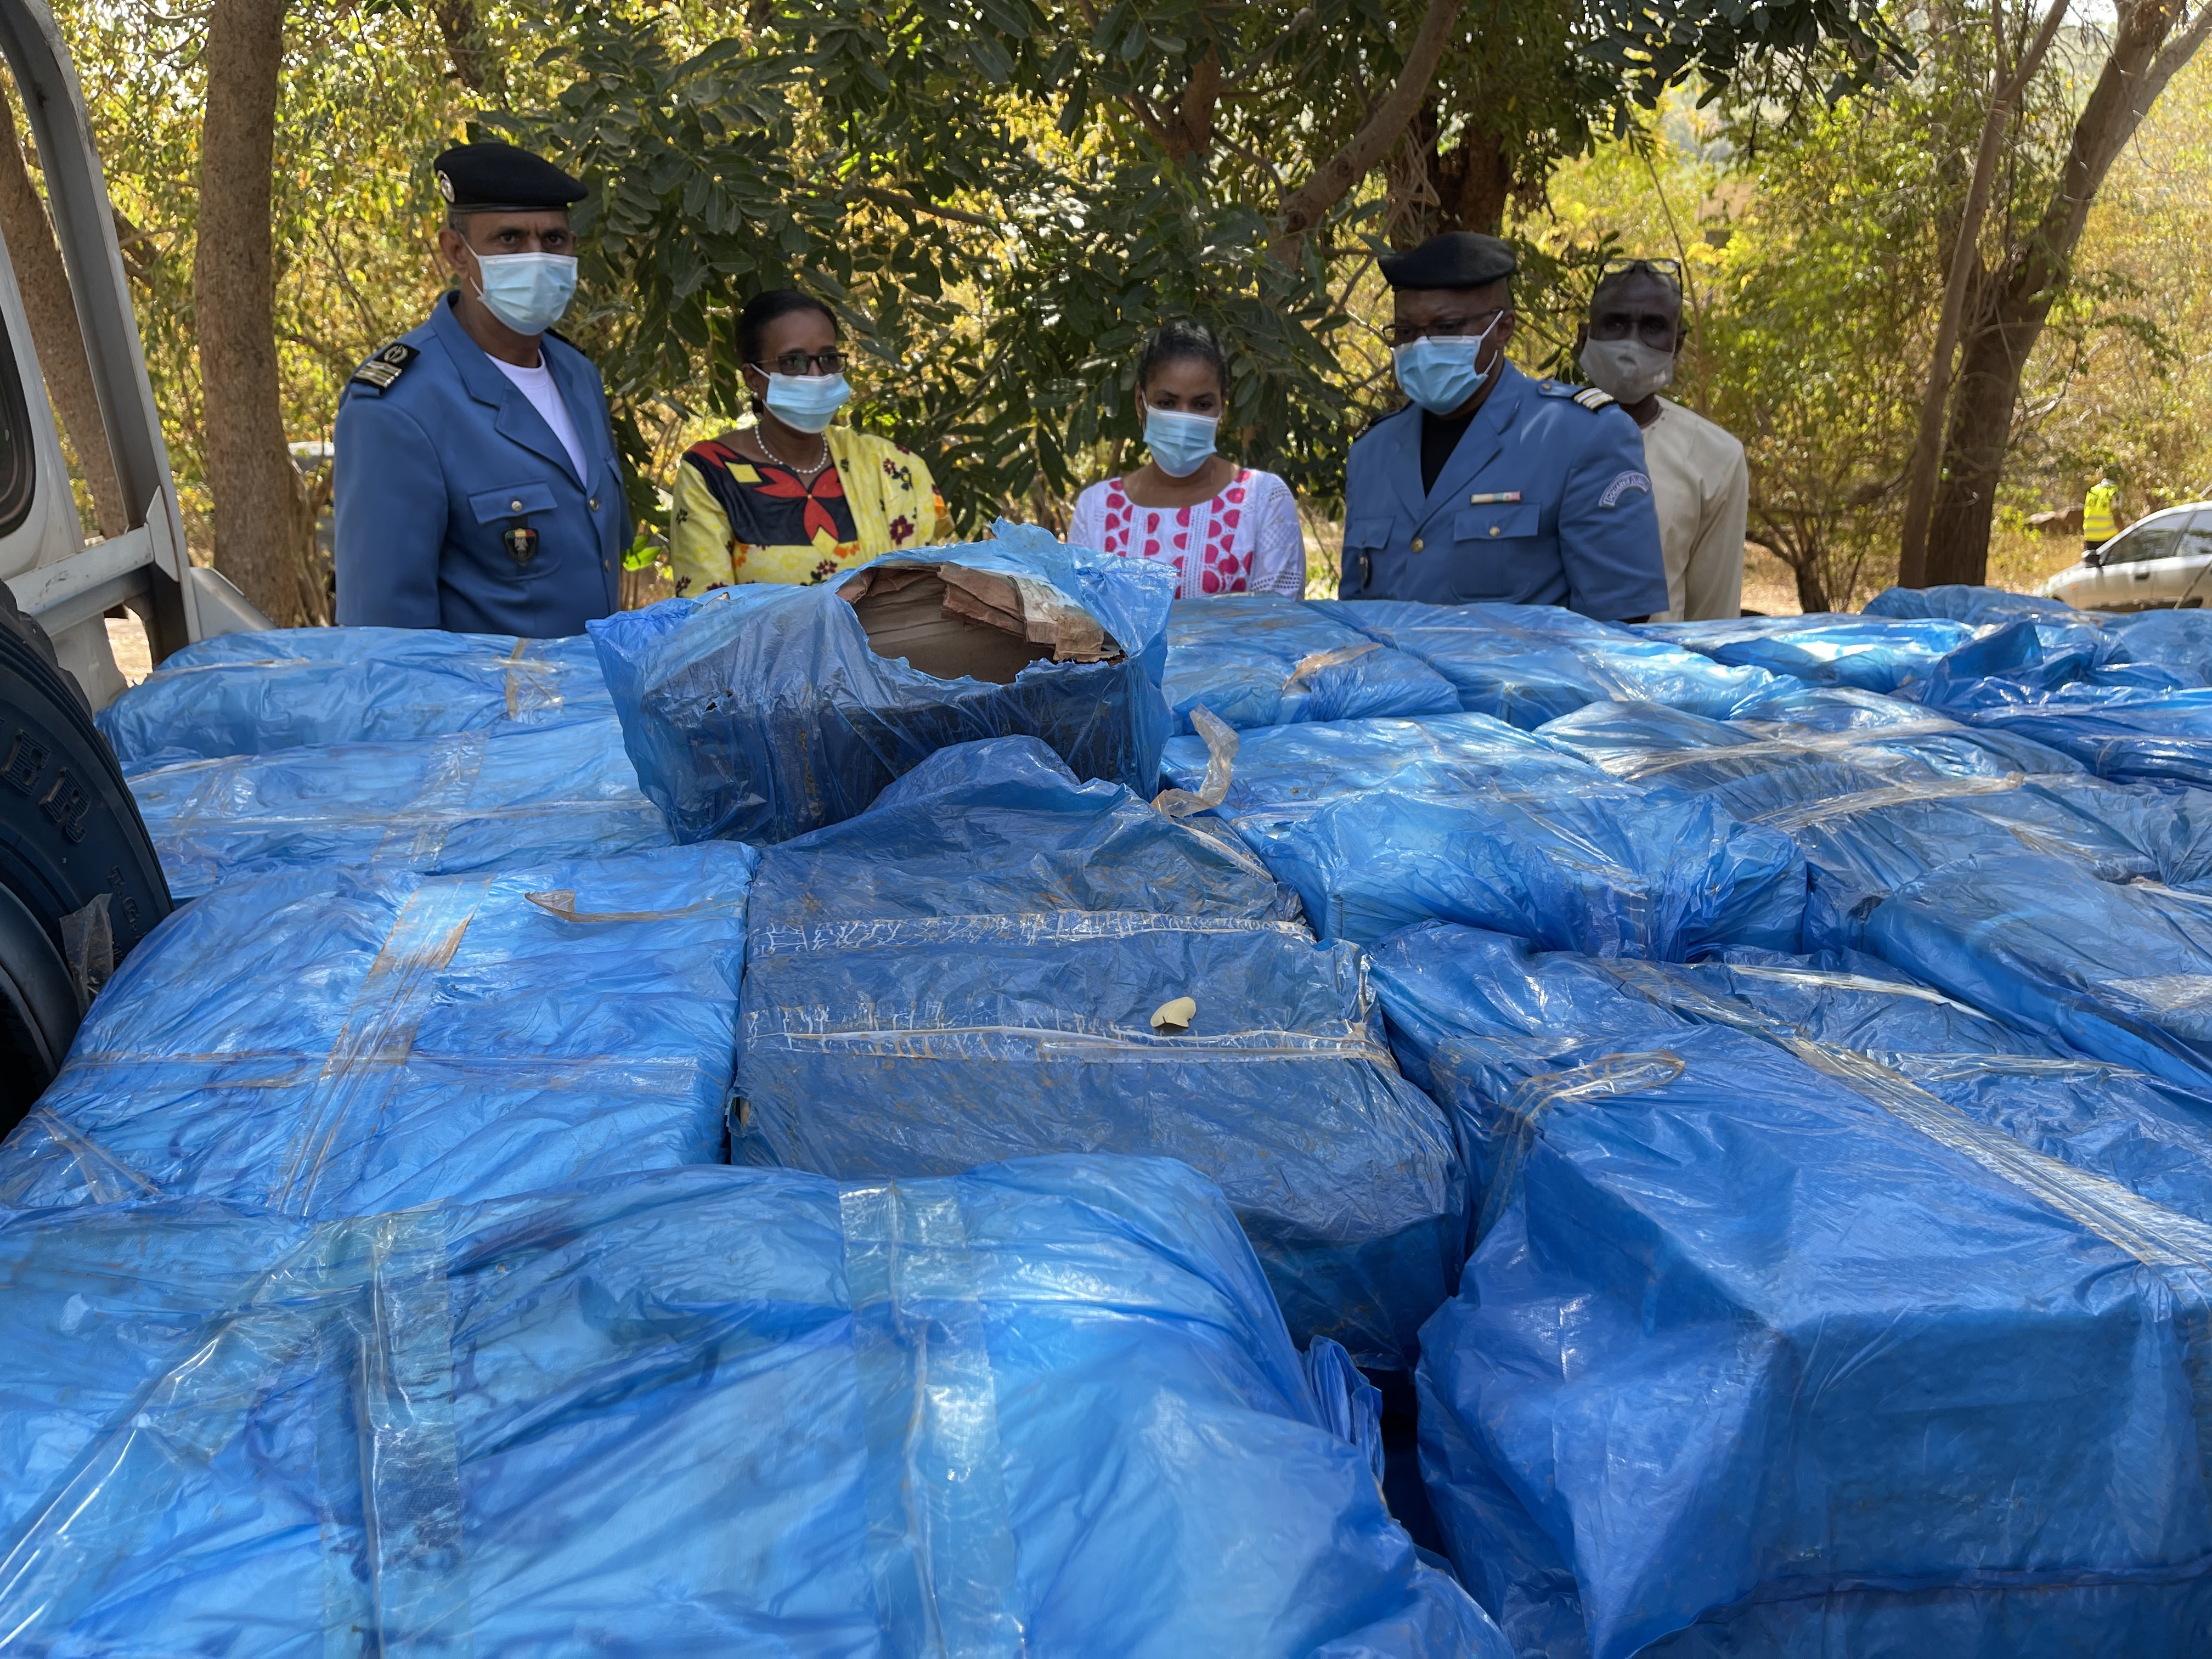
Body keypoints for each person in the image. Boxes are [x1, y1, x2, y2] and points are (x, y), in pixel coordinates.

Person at [334, 141, 629, 634]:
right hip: (486, 711)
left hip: (592, 703)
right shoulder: (398, 408)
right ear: (458, 253)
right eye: (510, 240)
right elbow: (383, 637)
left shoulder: (577, 376)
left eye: (554, 240)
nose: (537, 258)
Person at [1338, 231, 1667, 620]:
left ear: (1503, 328)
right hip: (1391, 682)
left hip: (1528, 683)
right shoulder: (1371, 453)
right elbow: (1354, 619)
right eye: (1406, 332)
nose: (1422, 347)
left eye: (1446, 327)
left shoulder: (1581, 436)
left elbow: (1618, 625)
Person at [669, 291, 952, 591]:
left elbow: (931, 592)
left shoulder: (894, 466)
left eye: (828, 359)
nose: (817, 376)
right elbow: (708, 619)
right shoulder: (712, 472)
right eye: (794, 362)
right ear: (754, 379)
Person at [1067, 321, 1306, 597]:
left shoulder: (1264, 501)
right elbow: (1081, 623)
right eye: (1167, 403)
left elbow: (1277, 624)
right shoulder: (1097, 510)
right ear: (1140, 402)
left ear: (1222, 406)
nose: (1184, 418)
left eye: (1202, 405)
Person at [1576, 257, 1748, 622]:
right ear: (1584, 336)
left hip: (1655, 674)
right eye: (1616, 322)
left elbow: (1712, 620)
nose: (1631, 342)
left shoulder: (1717, 457)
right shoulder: (1528, 437)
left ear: (1678, 343)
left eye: (1653, 326)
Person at [2084, 476, 2119, 555]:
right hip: (2107, 539)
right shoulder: (2112, 492)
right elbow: (2118, 519)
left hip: (2090, 538)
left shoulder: (2093, 491)